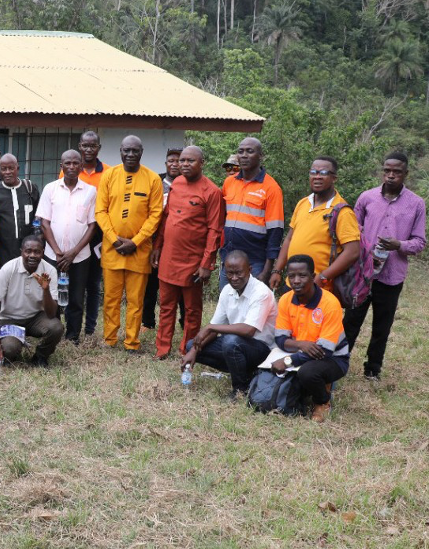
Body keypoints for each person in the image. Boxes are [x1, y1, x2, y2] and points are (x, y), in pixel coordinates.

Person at [343, 152, 426, 380]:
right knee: (351, 320)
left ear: (405, 173)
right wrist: (365, 247)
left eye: (396, 172)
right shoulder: (367, 198)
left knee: (382, 325)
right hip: (363, 273)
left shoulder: (416, 204)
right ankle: (338, 363)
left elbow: (419, 242)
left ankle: (373, 369)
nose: (391, 175)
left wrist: (399, 245)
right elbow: (352, 229)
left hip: (391, 276)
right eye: (387, 170)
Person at [150, 146, 224, 360]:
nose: (184, 164)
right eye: (182, 160)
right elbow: (166, 217)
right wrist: (157, 247)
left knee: (192, 310)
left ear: (202, 163)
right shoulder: (176, 184)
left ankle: (188, 348)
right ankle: (162, 349)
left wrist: (206, 264)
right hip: (169, 257)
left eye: (190, 161)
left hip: (193, 261)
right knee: (166, 306)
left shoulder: (212, 191)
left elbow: (215, 230)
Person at [95, 136, 164, 352]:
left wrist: (135, 241)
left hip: (139, 250)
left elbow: (155, 215)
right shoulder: (109, 176)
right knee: (111, 299)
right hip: (112, 249)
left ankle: (132, 342)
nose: (131, 155)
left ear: (141, 152)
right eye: (127, 150)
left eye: (135, 151)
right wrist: (114, 239)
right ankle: (110, 339)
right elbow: (100, 211)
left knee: (135, 300)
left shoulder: (153, 179)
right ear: (120, 151)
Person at [179, 250, 277, 398]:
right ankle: (244, 372)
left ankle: (240, 389)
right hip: (237, 346)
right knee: (192, 345)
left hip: (262, 351)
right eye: (230, 273)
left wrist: (210, 327)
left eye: (239, 273)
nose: (234, 278)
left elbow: (249, 330)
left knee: (231, 342)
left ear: (249, 270)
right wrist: (193, 350)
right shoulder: (227, 290)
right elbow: (214, 328)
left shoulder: (261, 292)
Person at [271, 254, 351, 422]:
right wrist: (302, 344)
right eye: (291, 276)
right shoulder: (285, 299)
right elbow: (280, 339)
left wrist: (288, 361)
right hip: (302, 352)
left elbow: (324, 351)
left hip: (333, 358)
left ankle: (323, 401)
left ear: (313, 277)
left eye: (302, 275)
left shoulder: (330, 303)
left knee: (308, 373)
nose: (296, 281)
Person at [269, 156, 359, 295]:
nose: (317, 177)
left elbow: (353, 251)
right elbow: (289, 239)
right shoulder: (303, 203)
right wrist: (277, 270)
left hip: (318, 287)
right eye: (313, 172)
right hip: (292, 283)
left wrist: (323, 277)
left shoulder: (342, 211)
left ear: (334, 178)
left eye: (323, 173)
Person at [36, 150, 97, 344]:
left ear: (81, 166)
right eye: (67, 163)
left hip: (80, 256)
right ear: (61, 166)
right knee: (53, 295)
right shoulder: (50, 189)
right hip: (52, 255)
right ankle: (53, 332)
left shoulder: (90, 191)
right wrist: (58, 252)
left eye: (75, 163)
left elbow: (92, 226)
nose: (71, 167)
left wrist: (73, 253)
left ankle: (72, 337)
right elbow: (44, 223)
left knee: (76, 298)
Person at [61, 131, 110, 340]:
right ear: (80, 146)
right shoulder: (69, 169)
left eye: (93, 146)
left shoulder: (108, 172)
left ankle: (89, 328)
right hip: (74, 236)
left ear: (99, 148)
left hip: (98, 235)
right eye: (85, 145)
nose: (88, 149)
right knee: (71, 283)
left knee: (93, 283)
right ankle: (69, 325)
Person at [0, 236, 64, 366]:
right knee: (10, 348)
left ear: (42, 253)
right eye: (28, 251)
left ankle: (40, 357)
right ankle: (14, 348)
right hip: (9, 319)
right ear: (21, 251)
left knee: (56, 327)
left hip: (35, 318)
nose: (32, 255)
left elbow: (51, 314)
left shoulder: (49, 271)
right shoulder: (9, 268)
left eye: (37, 252)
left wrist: (45, 290)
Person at [221, 137, 283, 289]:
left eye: (249, 151)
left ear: (261, 156)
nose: (244, 155)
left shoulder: (271, 188)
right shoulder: (229, 182)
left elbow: (275, 231)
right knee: (227, 303)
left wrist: (267, 270)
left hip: (255, 263)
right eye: (240, 151)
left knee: (252, 304)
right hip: (229, 260)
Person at [142, 148, 183, 329]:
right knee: (150, 285)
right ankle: (147, 322)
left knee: (180, 285)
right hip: (153, 241)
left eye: (178, 161)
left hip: (178, 244)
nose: (175, 164)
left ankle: (184, 321)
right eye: (171, 161)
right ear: (166, 163)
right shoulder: (155, 182)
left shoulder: (188, 184)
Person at [0, 153, 40, 267]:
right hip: (3, 253)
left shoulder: (30, 188)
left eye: (11, 168)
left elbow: (39, 217)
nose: (7, 172)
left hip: (29, 252)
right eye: (4, 169)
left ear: (17, 168)